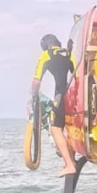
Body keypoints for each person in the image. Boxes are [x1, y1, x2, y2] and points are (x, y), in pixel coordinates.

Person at [31, 33, 78, 177]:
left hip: (60, 95)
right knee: (67, 127)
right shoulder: (69, 54)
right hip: (72, 96)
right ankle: (71, 161)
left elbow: (37, 81)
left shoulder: (46, 55)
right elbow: (75, 74)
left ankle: (69, 165)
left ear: (46, 46)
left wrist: (34, 94)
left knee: (55, 129)